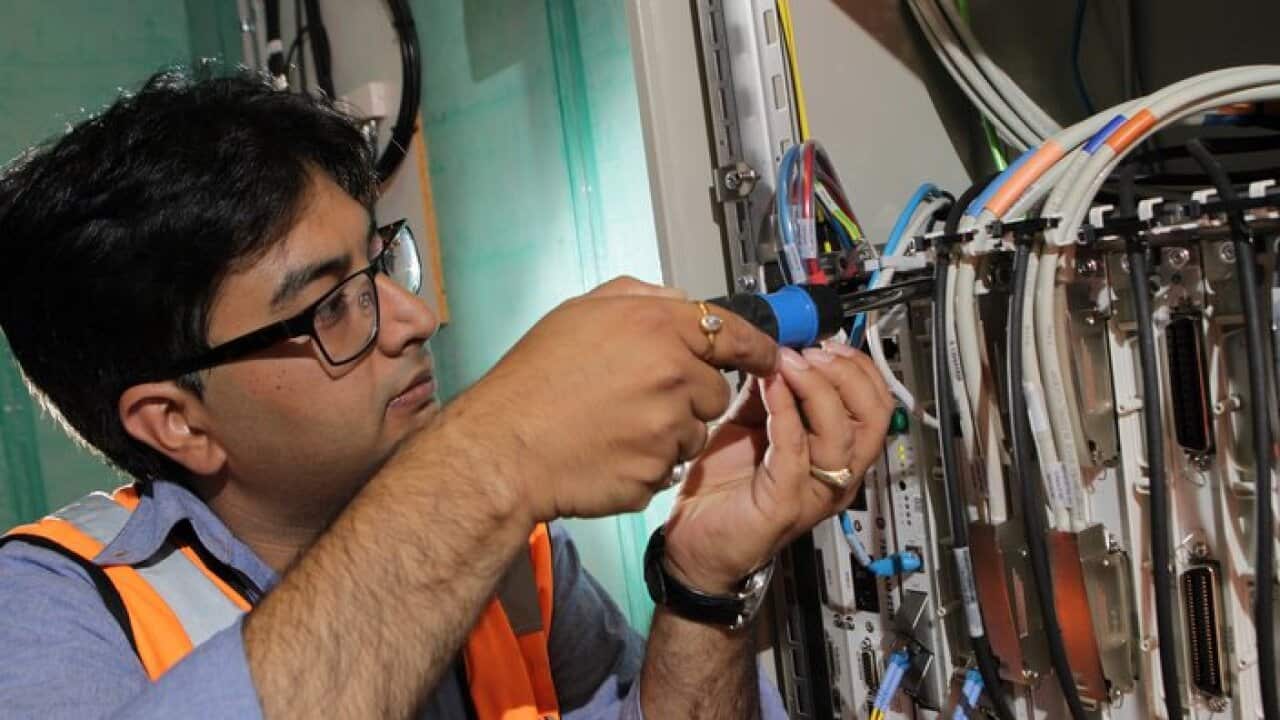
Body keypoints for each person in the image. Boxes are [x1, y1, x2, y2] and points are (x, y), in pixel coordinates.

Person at [0, 70, 892, 719]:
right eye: (330, 305)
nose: (416, 319)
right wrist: (491, 455)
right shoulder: (48, 611)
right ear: (177, 421)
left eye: (379, 264)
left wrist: (703, 584)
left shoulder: (515, 559)